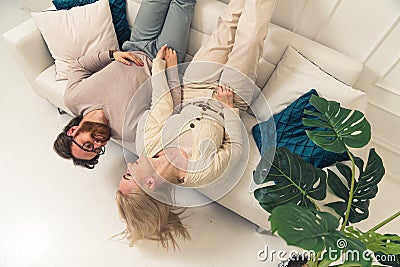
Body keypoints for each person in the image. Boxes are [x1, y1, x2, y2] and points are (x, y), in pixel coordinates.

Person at [116, 0, 276, 249]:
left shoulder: (146, 143)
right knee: (251, 36)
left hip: (193, 86)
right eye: (129, 174)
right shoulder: (202, 175)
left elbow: (163, 102)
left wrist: (163, 68)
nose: (129, 164)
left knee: (226, 25)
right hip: (230, 97)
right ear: (150, 184)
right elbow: (235, 149)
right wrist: (229, 108)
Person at [53, 0, 196, 169]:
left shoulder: (74, 99)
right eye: (98, 151)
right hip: (163, 59)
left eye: (88, 145)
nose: (98, 145)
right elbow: (169, 111)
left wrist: (113, 55)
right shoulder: (127, 131)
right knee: (183, 2)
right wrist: (171, 70)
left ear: (73, 131)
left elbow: (79, 66)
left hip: (136, 43)